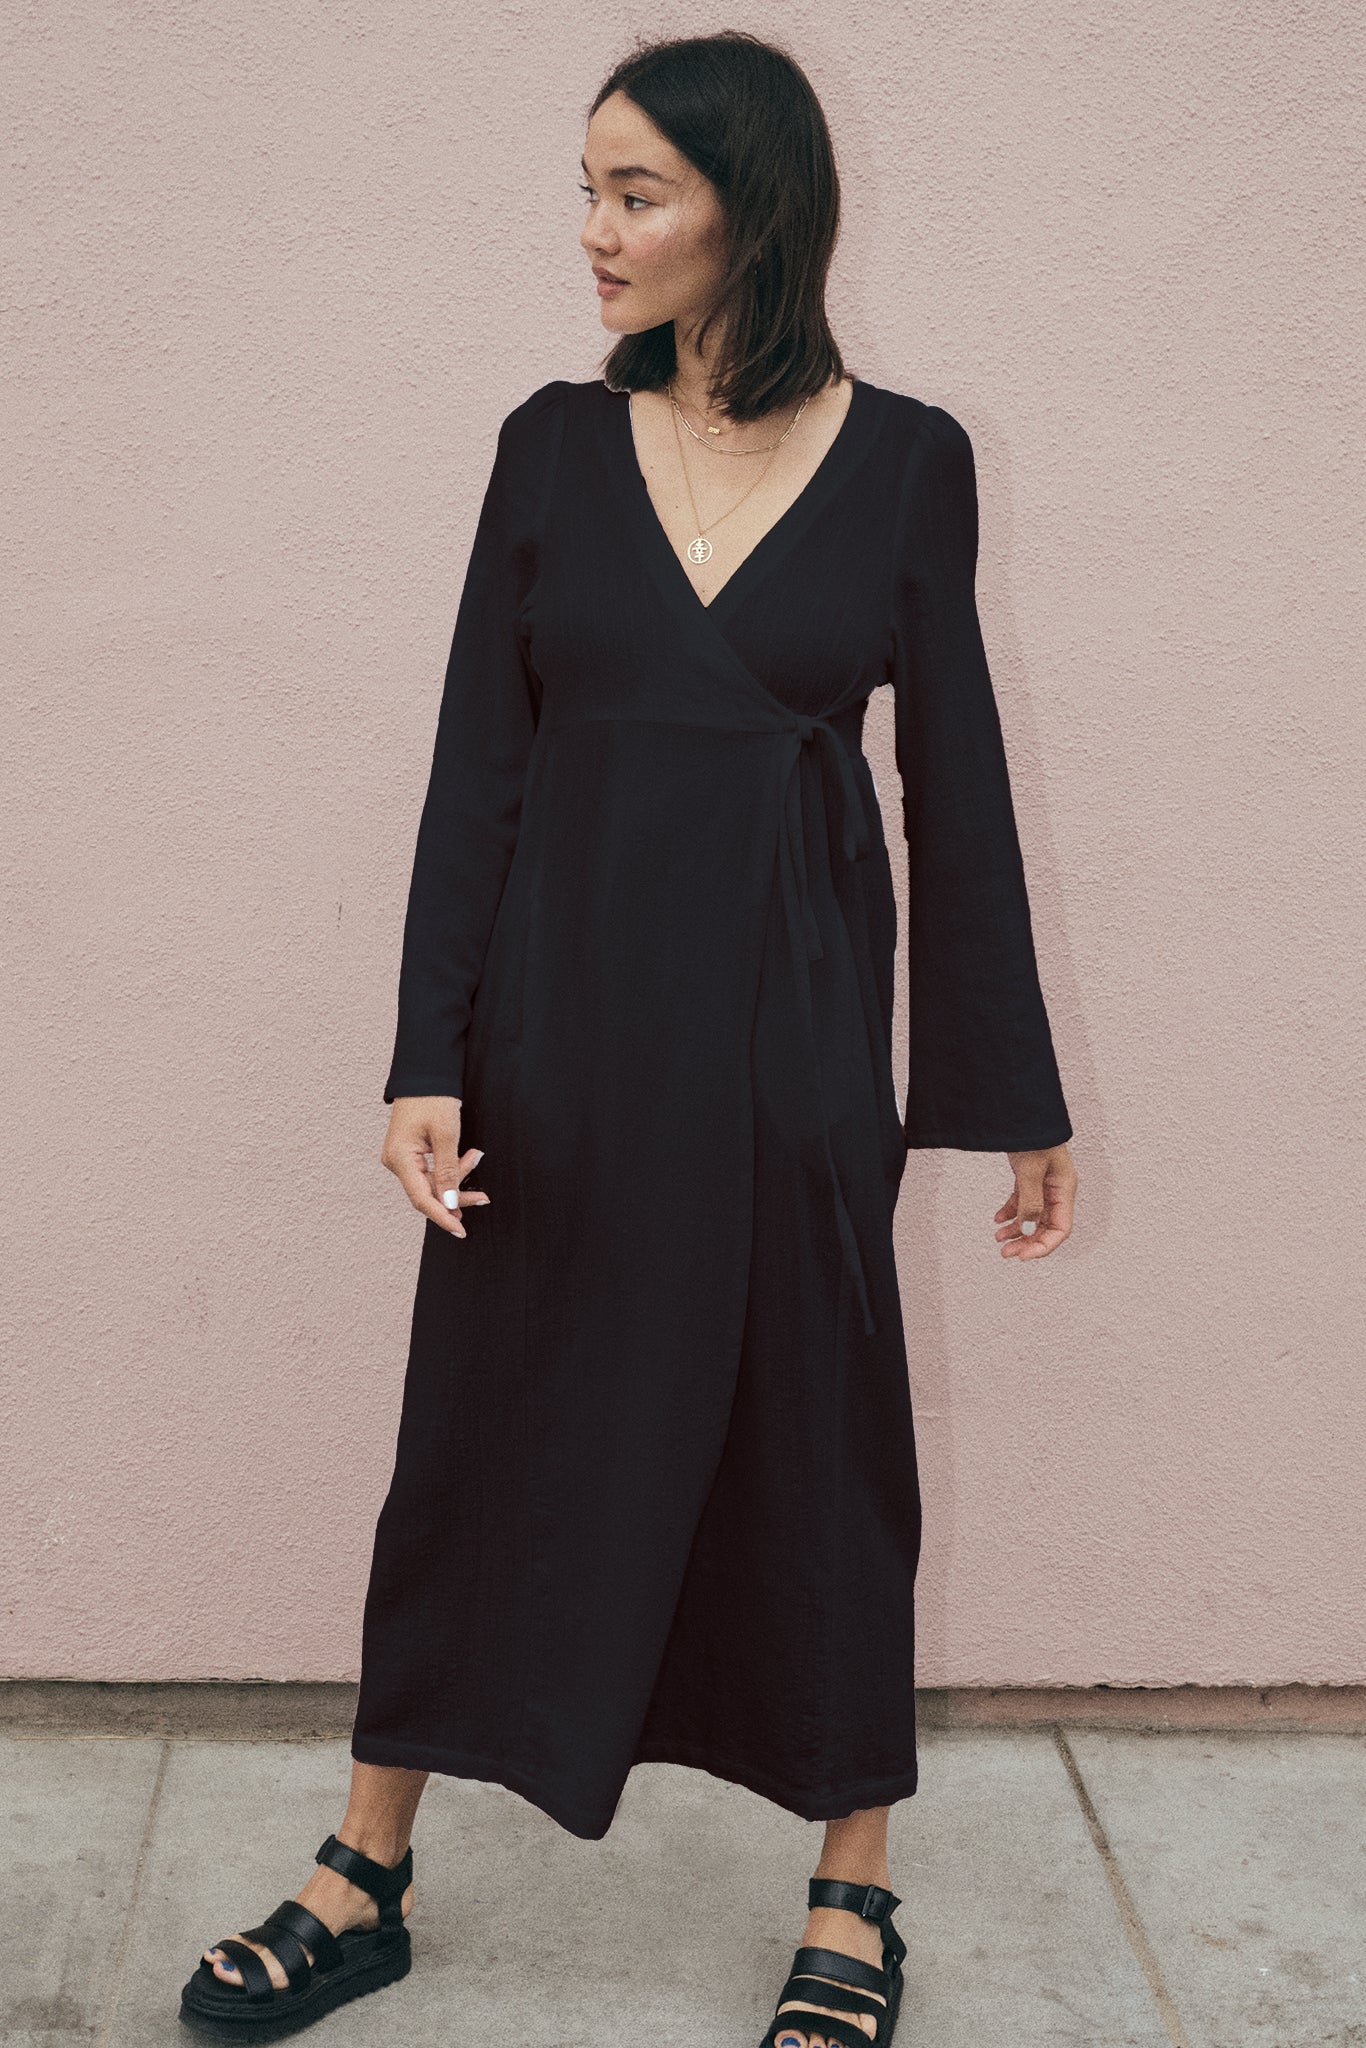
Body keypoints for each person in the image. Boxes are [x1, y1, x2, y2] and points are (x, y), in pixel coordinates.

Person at [179, 29, 1077, 2048]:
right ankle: (362, 1870)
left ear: (750, 209)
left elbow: (957, 778)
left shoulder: (910, 456)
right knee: (474, 1441)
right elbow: (472, 772)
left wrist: (997, 1092)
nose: (587, 231)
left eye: (631, 192)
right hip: (553, 1042)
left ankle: (851, 1896)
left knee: (814, 1454)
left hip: (785, 1056)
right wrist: (425, 1054)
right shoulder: (547, 448)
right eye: (584, 186)